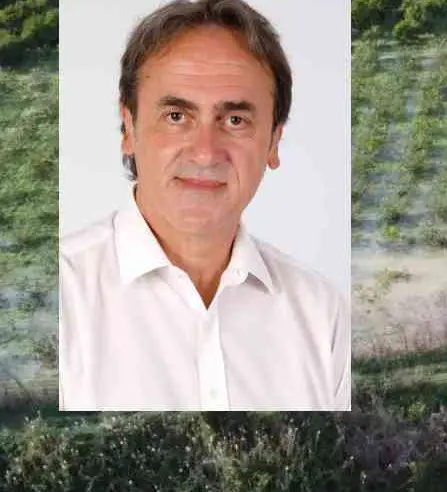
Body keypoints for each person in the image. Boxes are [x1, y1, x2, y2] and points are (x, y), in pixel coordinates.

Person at [58, 0, 350, 411]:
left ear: (273, 141)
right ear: (129, 129)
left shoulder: (322, 313)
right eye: (177, 115)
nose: (205, 152)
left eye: (235, 120)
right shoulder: (61, 297)